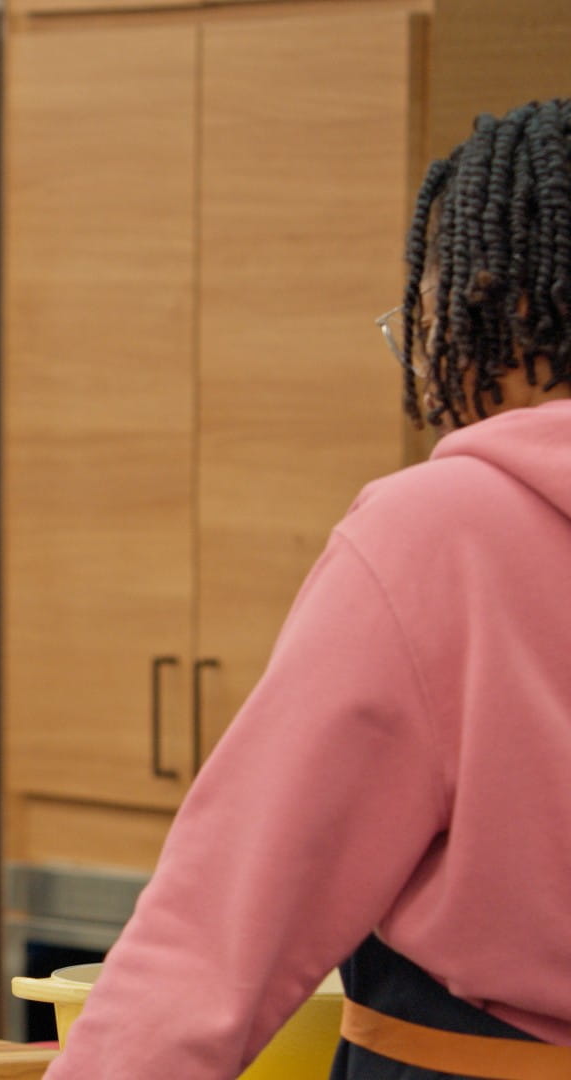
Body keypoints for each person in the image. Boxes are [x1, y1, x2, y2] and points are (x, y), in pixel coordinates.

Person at [43, 99, 571, 1078]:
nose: (421, 366)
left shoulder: (442, 533)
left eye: (425, 323)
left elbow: (223, 931)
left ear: (512, 310)